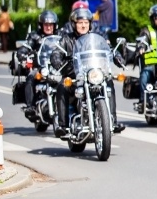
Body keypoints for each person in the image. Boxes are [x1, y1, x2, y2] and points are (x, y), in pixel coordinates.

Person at [52, 8, 125, 137]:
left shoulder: (97, 37)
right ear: (74, 24)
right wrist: (57, 61)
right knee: (62, 86)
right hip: (75, 76)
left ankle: (112, 121)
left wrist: (117, 57)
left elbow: (109, 49)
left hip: (95, 74)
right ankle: (62, 125)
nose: (83, 25)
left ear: (90, 23)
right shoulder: (66, 39)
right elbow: (56, 53)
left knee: (109, 83)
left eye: (86, 22)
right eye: (80, 22)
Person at [21, 10, 60, 120]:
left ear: (55, 25)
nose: (48, 27)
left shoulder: (60, 36)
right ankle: (30, 106)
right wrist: (23, 54)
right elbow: (25, 47)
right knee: (31, 77)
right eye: (46, 25)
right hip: (41, 67)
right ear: (41, 25)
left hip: (57, 67)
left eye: (51, 25)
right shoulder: (34, 36)